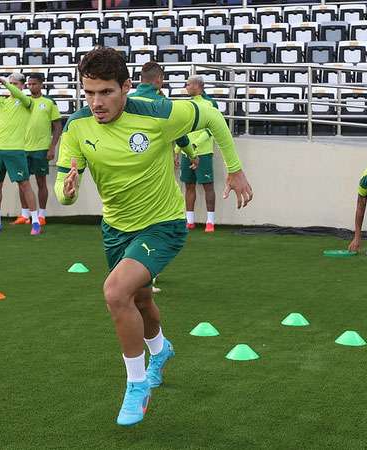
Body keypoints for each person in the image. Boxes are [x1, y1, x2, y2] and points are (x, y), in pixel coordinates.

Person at [55, 47, 253, 426]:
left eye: (106, 92)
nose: (96, 102)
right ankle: (160, 350)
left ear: (127, 87)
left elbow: (210, 114)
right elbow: (63, 194)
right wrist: (68, 188)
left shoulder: (158, 113)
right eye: (89, 92)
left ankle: (136, 383)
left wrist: (235, 169)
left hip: (162, 225)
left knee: (115, 292)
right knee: (140, 301)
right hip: (115, 229)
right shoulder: (76, 128)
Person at [128, 62, 200, 294]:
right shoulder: (162, 104)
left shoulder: (125, 102)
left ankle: (131, 274)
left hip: (124, 175)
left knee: (131, 225)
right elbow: (181, 135)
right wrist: (192, 153)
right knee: (154, 227)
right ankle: (145, 278)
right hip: (153, 179)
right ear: (159, 80)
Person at [0, 73, 41, 235]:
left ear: (22, 86)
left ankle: (35, 222)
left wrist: (6, 83)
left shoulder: (26, 102)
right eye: (10, 82)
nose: (12, 85)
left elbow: (20, 96)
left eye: (15, 83)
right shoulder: (1, 102)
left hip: (16, 150)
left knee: (25, 185)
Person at [10, 73, 62, 226]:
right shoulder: (21, 101)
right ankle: (25, 214)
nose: (31, 86)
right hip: (21, 148)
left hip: (40, 148)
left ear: (41, 85)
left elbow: (57, 126)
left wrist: (52, 147)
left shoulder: (49, 102)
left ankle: (42, 215)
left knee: (41, 182)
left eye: (34, 84)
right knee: (22, 182)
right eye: (29, 84)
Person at [178, 75, 226, 233]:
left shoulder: (210, 103)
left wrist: (195, 144)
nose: (186, 86)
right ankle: (190, 221)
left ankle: (210, 222)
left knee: (208, 186)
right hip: (187, 153)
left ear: (197, 86)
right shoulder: (187, 103)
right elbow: (182, 128)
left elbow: (211, 128)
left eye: (188, 84)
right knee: (189, 185)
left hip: (204, 152)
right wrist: (177, 150)